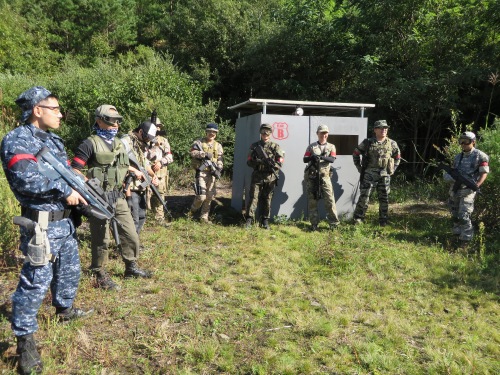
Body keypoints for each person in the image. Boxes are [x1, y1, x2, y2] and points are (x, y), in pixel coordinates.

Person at [1, 86, 93, 375]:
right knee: (35, 281)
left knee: (69, 268)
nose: (61, 114)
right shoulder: (17, 140)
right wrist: (65, 190)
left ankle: (64, 309)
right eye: (55, 108)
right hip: (41, 223)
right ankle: (25, 341)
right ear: (37, 110)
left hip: (64, 222)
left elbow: (63, 171)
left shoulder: (53, 140)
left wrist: (80, 183)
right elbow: (26, 181)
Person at [71, 105, 152, 291]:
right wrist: (89, 187)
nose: (115, 124)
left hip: (118, 196)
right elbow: (74, 169)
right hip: (99, 198)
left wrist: (132, 172)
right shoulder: (89, 143)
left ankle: (131, 267)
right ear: (99, 120)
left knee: (130, 233)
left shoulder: (118, 143)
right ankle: (98, 273)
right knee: (101, 239)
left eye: (117, 120)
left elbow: (121, 166)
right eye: (111, 120)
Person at [352, 120, 401, 226]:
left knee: (384, 198)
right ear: (375, 130)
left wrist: (392, 169)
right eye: (381, 128)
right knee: (364, 197)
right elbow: (356, 153)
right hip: (369, 174)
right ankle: (358, 218)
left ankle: (383, 220)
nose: (384, 130)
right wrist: (359, 168)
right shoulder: (367, 142)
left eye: (386, 128)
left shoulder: (392, 143)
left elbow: (397, 157)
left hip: (384, 175)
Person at [443, 131, 489, 244]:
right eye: (461, 142)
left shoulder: (480, 156)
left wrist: (476, 186)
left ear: (473, 142)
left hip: (468, 190)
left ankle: (465, 241)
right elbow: (453, 170)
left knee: (464, 215)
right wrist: (449, 177)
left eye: (466, 141)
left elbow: (484, 173)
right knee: (454, 214)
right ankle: (456, 235)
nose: (463, 144)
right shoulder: (458, 156)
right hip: (455, 189)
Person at [121, 120, 159, 234]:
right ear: (141, 131)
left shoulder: (140, 144)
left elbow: (144, 163)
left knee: (142, 217)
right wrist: (135, 170)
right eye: (147, 137)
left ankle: (134, 243)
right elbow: (116, 163)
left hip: (139, 187)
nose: (148, 140)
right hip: (129, 186)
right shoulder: (124, 142)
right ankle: (128, 247)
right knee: (133, 219)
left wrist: (153, 176)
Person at [246, 123, 284, 229]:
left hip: (269, 176)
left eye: (267, 132)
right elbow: (248, 162)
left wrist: (271, 165)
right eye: (263, 132)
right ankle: (249, 219)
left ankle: (265, 220)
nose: (265, 134)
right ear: (260, 133)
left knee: (267, 198)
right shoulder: (254, 146)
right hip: (257, 175)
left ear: (271, 133)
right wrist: (257, 162)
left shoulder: (275, 147)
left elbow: (280, 162)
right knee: (253, 197)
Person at [303, 124, 340, 231]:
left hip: (325, 177)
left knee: (330, 200)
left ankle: (334, 224)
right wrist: (312, 157)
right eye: (321, 133)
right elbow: (305, 159)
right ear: (317, 134)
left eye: (325, 133)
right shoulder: (311, 146)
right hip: (313, 177)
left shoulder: (331, 146)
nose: (323, 135)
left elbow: (332, 159)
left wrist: (321, 157)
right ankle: (314, 224)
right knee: (312, 201)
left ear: (327, 134)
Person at [188, 123, 224, 223]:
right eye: (210, 131)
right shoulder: (199, 142)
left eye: (214, 132)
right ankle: (191, 212)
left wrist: (219, 168)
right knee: (201, 196)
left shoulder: (218, 145)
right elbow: (192, 152)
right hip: (202, 173)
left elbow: (220, 158)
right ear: (206, 132)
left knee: (209, 197)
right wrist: (203, 154)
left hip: (212, 174)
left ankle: (204, 217)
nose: (212, 134)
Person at [146, 116, 174, 225]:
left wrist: (161, 162)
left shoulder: (164, 141)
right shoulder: (144, 139)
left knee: (159, 196)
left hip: (160, 174)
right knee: (145, 196)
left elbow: (170, 156)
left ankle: (159, 218)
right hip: (146, 172)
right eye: (154, 126)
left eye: (158, 127)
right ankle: (144, 217)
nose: (156, 128)